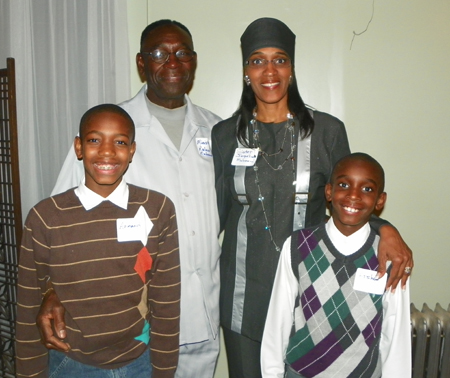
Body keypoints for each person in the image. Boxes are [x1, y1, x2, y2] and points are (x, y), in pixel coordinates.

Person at [211, 17, 413, 378]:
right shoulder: (225, 135)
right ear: (246, 71)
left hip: (313, 288)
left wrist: (386, 229)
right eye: (257, 60)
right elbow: (215, 214)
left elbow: (350, 196)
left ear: (291, 68)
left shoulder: (327, 131)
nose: (269, 71)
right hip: (244, 290)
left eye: (280, 59)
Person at [37, 20, 222, 378]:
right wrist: (52, 289)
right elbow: (59, 221)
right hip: (131, 321)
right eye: (158, 53)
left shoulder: (217, 130)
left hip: (203, 310)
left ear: (194, 61)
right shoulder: (110, 130)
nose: (172, 62)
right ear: (141, 63)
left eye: (182, 53)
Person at [15, 104, 181, 378]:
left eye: (119, 141)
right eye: (94, 140)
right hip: (72, 363)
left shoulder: (158, 209)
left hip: (139, 360)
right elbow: (29, 305)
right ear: (79, 148)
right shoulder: (46, 217)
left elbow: (166, 300)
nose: (106, 151)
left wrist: (163, 371)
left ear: (132, 151)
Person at [261, 152, 411, 377]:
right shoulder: (298, 246)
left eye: (367, 189)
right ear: (329, 191)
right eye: (344, 184)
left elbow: (395, 330)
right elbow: (278, 319)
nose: (353, 195)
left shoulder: (390, 256)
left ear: (380, 200)